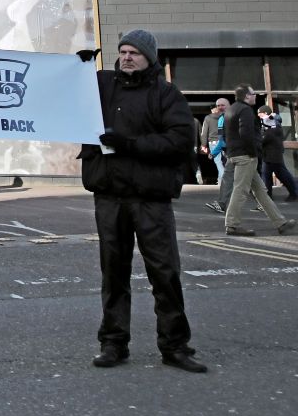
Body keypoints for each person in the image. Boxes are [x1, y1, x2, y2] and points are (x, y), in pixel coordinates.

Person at [80, 29, 208, 373]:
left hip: (150, 197)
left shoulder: (166, 94)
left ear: (149, 57)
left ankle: (175, 346)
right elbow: (64, 92)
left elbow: (180, 140)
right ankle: (113, 343)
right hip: (109, 195)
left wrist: (130, 145)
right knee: (114, 273)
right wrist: (76, 67)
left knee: (164, 273)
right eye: (122, 51)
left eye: (134, 52)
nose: (126, 57)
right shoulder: (102, 85)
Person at [224, 84, 297, 237]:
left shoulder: (231, 109)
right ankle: (232, 225)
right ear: (246, 96)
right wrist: (254, 152)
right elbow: (246, 134)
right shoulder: (245, 110)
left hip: (236, 154)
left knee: (260, 191)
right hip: (246, 156)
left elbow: (227, 134)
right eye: (253, 93)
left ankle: (280, 223)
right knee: (241, 189)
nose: (255, 95)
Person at [257, 106, 297, 202]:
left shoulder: (273, 124)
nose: (258, 115)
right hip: (270, 154)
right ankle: (269, 196)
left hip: (273, 154)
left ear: (266, 113)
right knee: (271, 174)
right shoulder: (269, 123)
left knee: (277, 174)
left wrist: (259, 139)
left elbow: (267, 137)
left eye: (260, 113)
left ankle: (293, 193)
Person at [199, 99, 228, 184]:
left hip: (214, 142)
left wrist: (203, 145)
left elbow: (204, 132)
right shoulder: (225, 116)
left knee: (218, 161)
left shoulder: (208, 118)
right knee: (225, 161)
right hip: (224, 141)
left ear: (211, 110)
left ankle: (224, 180)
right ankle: (220, 180)